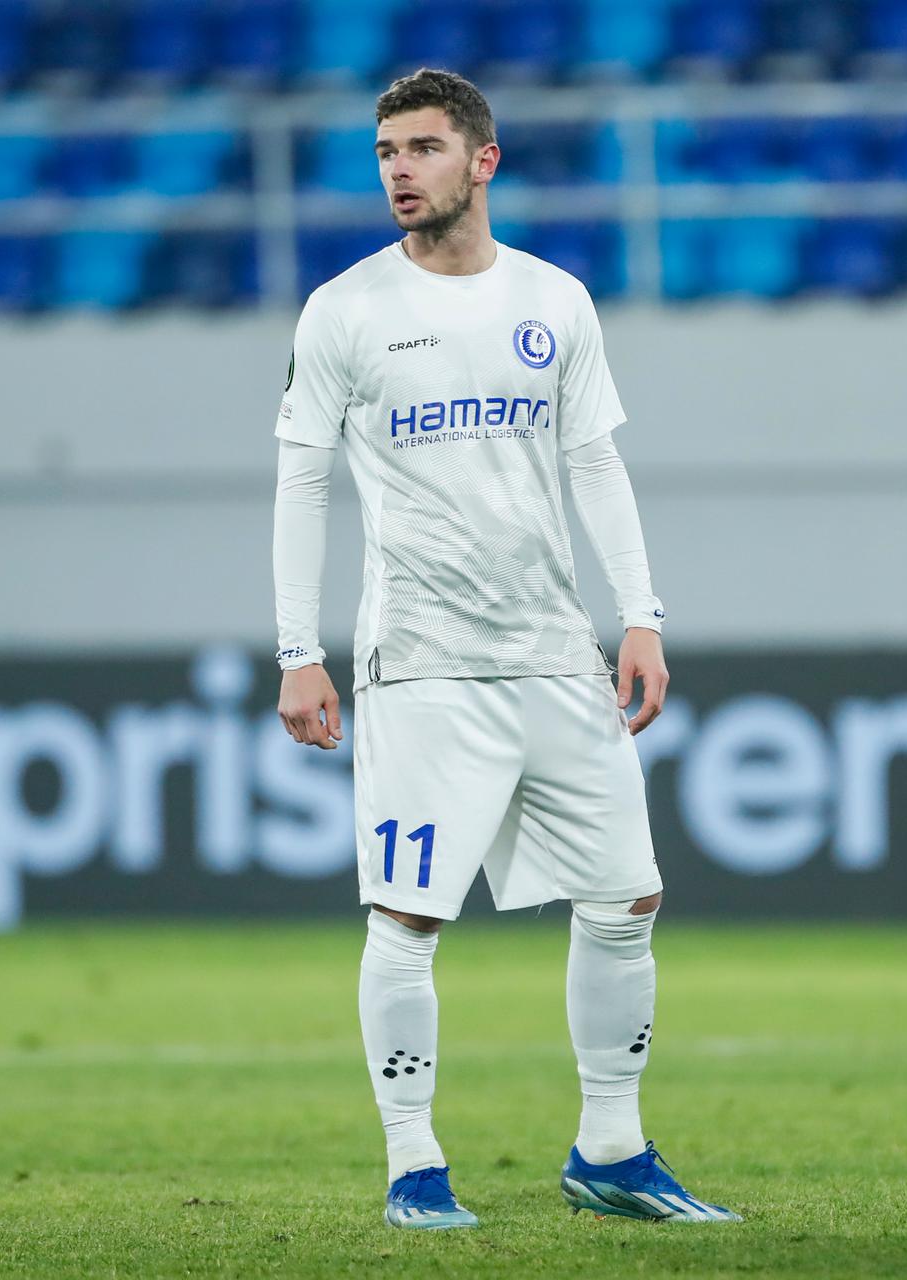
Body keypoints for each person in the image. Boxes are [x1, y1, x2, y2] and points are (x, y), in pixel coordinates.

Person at [270, 68, 737, 1230]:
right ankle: (413, 1163)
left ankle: (613, 1147)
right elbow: (303, 479)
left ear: (483, 159)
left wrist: (641, 612)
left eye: (422, 148)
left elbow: (592, 463)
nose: (397, 171)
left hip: (554, 655)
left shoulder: (556, 300)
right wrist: (298, 648)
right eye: (385, 152)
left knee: (628, 896)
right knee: (408, 917)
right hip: (423, 661)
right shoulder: (344, 310)